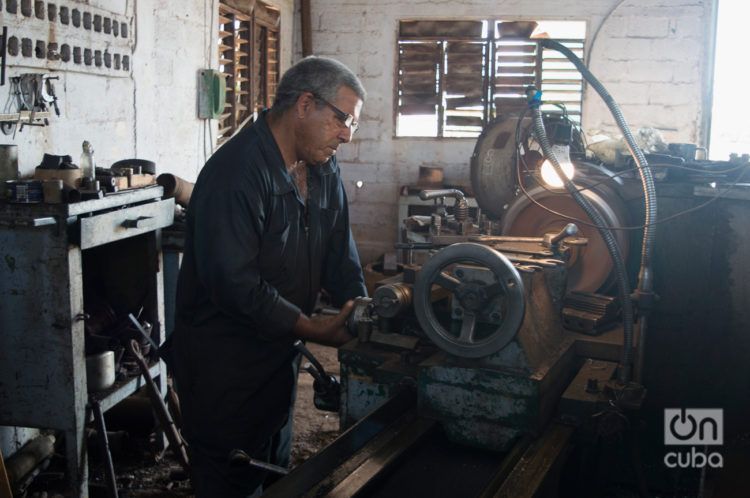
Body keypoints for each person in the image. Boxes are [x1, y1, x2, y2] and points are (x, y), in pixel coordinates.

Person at [170, 56, 368, 497]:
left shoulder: (322, 168)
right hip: (225, 367)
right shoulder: (235, 172)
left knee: (275, 473)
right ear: (304, 104)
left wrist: (364, 310)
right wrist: (312, 327)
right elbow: (233, 283)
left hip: (278, 358)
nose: (347, 136)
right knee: (230, 476)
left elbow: (339, 250)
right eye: (342, 120)